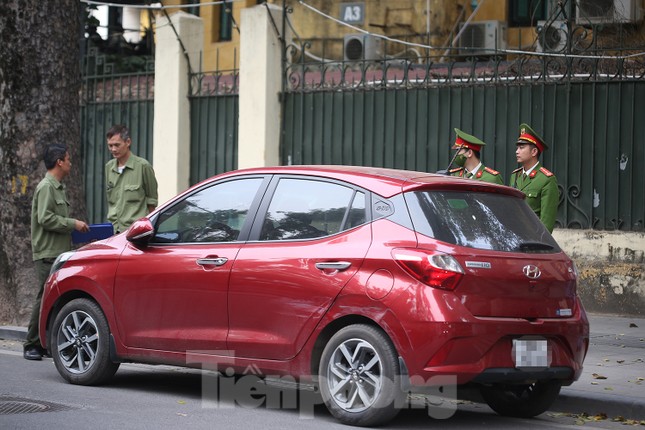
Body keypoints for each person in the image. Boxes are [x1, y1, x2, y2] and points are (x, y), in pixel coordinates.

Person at [25, 144, 90, 360]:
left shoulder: (58, 187)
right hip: (47, 252)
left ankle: (43, 342)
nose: (71, 163)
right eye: (68, 159)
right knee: (43, 297)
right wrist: (73, 223)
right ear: (59, 162)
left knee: (52, 298)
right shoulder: (46, 187)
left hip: (58, 251)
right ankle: (31, 344)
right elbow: (45, 218)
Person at [105, 124, 158, 234]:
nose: (113, 149)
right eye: (110, 146)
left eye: (117, 145)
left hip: (136, 231)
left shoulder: (143, 166)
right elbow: (111, 201)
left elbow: (151, 201)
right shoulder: (109, 167)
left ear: (128, 142)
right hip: (114, 230)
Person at [509, 123, 559, 232]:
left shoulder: (546, 180)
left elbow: (546, 223)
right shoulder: (515, 175)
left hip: (532, 240)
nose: (517, 151)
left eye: (522, 147)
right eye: (517, 147)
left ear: (534, 151)